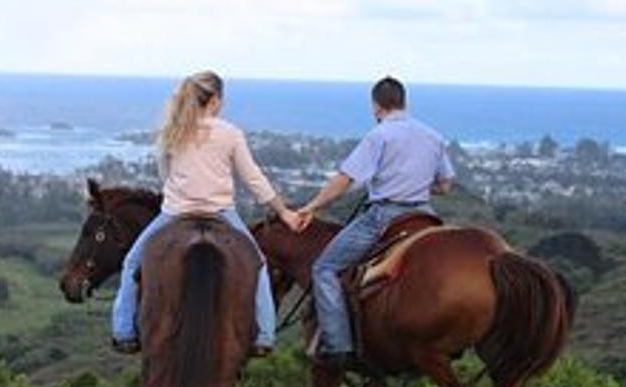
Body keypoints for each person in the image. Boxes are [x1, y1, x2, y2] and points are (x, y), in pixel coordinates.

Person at [110, 71, 285, 356]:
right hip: (221, 213)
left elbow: (165, 175)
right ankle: (264, 336)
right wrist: (283, 211)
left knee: (132, 263)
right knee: (258, 265)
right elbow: (253, 178)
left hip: (176, 213)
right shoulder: (230, 133)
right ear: (215, 100)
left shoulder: (173, 130)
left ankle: (123, 332)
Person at [284, 75, 453, 367]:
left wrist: (312, 206)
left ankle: (338, 346)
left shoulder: (379, 135)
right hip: (425, 215)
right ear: (404, 102)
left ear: (376, 107)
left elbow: (345, 180)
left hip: (385, 215)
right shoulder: (433, 136)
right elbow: (445, 185)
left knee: (324, 268)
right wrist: (413, 183)